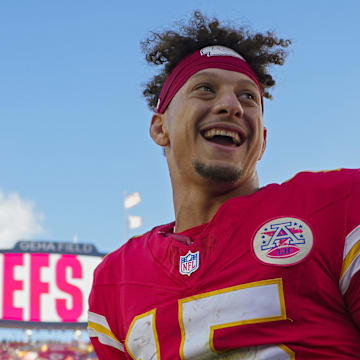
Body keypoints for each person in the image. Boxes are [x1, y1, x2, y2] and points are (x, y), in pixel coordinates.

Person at [87, 11, 360, 359]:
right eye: (205, 89)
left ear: (261, 140)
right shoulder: (115, 280)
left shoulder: (339, 205)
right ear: (160, 128)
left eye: (248, 97)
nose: (231, 106)